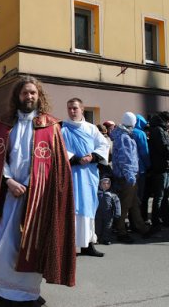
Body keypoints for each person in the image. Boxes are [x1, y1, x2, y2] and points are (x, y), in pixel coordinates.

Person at [0, 76, 76, 305]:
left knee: (30, 244)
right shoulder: (4, 123)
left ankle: (27, 294)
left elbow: (54, 163)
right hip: (7, 194)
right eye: (24, 93)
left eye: (33, 93)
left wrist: (31, 182)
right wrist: (9, 180)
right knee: (4, 243)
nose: (29, 96)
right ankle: (5, 292)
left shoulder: (51, 126)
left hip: (37, 196)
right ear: (17, 96)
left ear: (38, 96)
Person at [62, 98, 109, 257]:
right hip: (70, 174)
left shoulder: (91, 129)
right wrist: (75, 159)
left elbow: (104, 145)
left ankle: (88, 245)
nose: (72, 111)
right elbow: (57, 149)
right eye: (69, 108)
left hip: (89, 174)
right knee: (71, 208)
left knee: (89, 206)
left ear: (82, 109)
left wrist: (93, 157)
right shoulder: (62, 129)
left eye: (75, 108)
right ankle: (69, 245)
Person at [111, 112, 152, 243]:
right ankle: (121, 231)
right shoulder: (124, 137)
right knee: (125, 204)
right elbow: (126, 159)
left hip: (130, 175)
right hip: (127, 177)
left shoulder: (123, 134)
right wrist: (130, 175)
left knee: (134, 203)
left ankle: (142, 227)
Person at [149, 111, 169, 230]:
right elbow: (165, 147)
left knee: (164, 195)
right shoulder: (159, 130)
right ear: (165, 121)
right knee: (160, 195)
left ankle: (164, 218)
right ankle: (156, 220)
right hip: (161, 166)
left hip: (164, 166)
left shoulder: (160, 129)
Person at [96, 177, 121, 245]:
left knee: (108, 227)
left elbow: (117, 204)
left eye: (108, 183)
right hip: (98, 214)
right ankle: (97, 238)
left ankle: (106, 239)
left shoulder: (112, 195)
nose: (106, 185)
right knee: (97, 227)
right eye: (103, 183)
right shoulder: (97, 194)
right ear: (100, 184)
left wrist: (117, 213)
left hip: (108, 214)